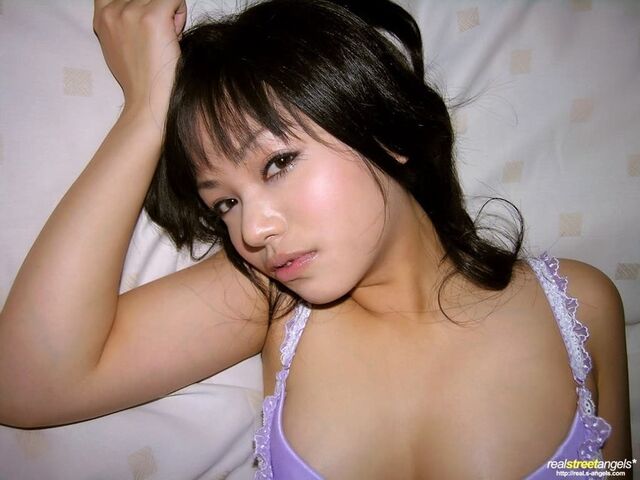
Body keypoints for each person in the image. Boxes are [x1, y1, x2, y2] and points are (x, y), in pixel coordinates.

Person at [0, 0, 632, 478]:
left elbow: (610, 469)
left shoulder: (577, 306)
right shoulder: (275, 304)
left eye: (278, 163)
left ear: (384, 130)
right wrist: (144, 112)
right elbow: (27, 381)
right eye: (225, 203)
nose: (252, 230)